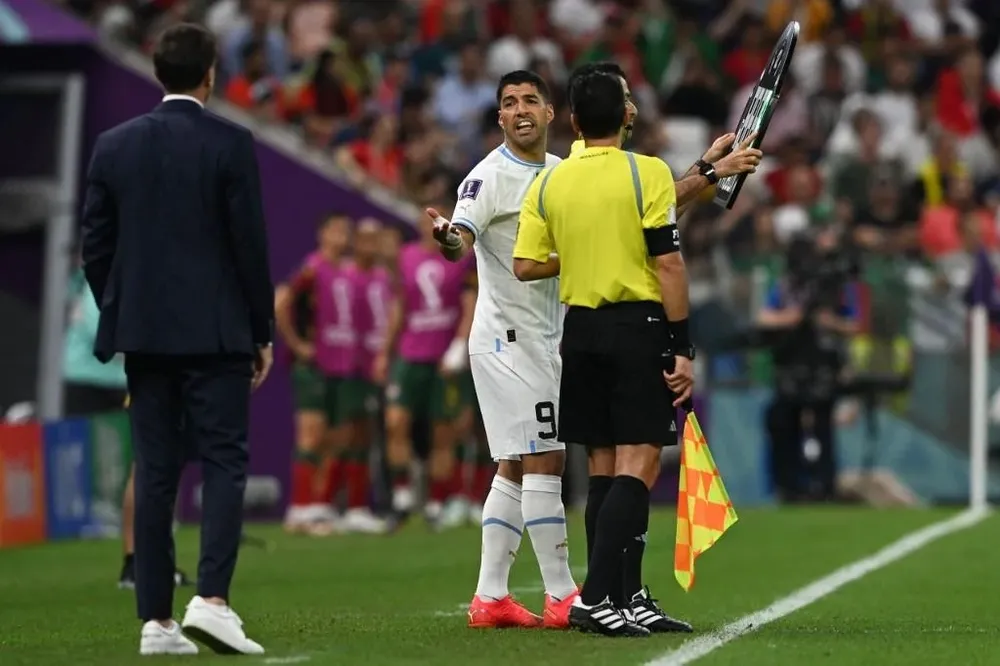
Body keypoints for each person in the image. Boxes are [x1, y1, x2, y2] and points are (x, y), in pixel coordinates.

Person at [512, 69, 760, 636]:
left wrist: (706, 170)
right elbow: (667, 261)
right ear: (629, 115)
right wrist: (681, 347)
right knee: (640, 465)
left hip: (580, 332)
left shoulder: (550, 183)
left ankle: (626, 597)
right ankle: (595, 597)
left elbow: (526, 265)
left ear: (571, 120)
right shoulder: (643, 171)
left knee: (603, 469)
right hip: (637, 327)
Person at [80, 23, 272, 656]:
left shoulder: (113, 146)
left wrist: (129, 306)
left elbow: (95, 249)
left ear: (157, 72)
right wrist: (260, 330)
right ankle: (213, 600)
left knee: (156, 473)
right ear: (210, 73)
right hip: (217, 336)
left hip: (146, 337)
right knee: (222, 465)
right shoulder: (231, 142)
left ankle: (156, 623)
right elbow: (249, 246)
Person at [427, 69, 579, 629]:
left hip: (541, 338)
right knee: (547, 458)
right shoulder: (487, 175)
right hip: (506, 339)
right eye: (509, 102)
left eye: (530, 101)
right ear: (499, 118)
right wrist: (448, 238)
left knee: (514, 465)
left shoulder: (564, 174)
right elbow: (459, 238)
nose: (519, 109)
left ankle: (491, 597)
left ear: (548, 113)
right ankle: (562, 595)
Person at [373, 207, 476, 525]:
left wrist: (459, 347)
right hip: (410, 354)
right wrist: (384, 352)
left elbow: (469, 303)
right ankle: (403, 496)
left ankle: (435, 501)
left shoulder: (460, 256)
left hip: (442, 358)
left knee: (442, 432)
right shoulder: (405, 257)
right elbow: (400, 305)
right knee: (395, 422)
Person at [274, 213, 353, 536]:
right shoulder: (312, 268)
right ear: (322, 235)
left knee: (335, 438)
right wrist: (297, 343)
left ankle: (319, 506)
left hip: (339, 362)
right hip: (312, 365)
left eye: (345, 230)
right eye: (336, 230)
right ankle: (299, 509)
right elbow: (281, 302)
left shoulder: (343, 272)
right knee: (311, 433)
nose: (342, 236)